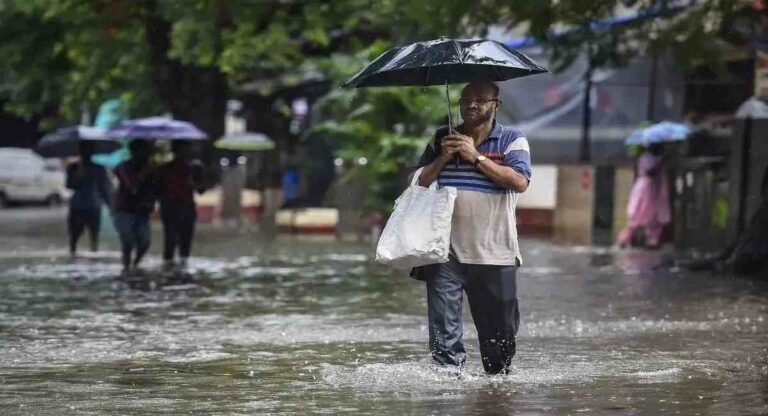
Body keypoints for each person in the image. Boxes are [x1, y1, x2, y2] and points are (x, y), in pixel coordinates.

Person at [413, 80, 532, 375]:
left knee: (499, 337)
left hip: (495, 251)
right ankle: (448, 381)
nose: (472, 105)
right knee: (442, 325)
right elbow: (419, 183)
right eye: (466, 99)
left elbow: (519, 182)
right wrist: (443, 156)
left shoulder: (512, 140)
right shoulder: (442, 137)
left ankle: (496, 390)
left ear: (496, 105)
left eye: (481, 99)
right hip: (443, 249)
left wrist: (475, 157)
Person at [156, 141, 205, 272]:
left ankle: (183, 268)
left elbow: (201, 189)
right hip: (169, 208)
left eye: (186, 150)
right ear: (175, 151)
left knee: (186, 241)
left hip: (187, 208)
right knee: (170, 240)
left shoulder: (195, 168)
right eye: (181, 150)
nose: (184, 153)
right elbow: (158, 190)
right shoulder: (165, 168)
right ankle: (168, 268)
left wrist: (192, 183)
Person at [112, 140, 156, 274]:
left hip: (142, 211)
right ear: (134, 152)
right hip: (124, 210)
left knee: (145, 242)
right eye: (143, 151)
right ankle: (126, 266)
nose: (146, 155)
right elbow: (132, 186)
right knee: (128, 241)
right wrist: (145, 172)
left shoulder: (152, 169)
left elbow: (156, 189)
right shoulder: (123, 167)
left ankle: (135, 264)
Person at [616, 144, 671, 248]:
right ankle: (624, 239)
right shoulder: (646, 157)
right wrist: (661, 162)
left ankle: (652, 241)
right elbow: (650, 172)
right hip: (646, 189)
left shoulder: (656, 158)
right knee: (638, 216)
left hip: (655, 189)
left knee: (655, 218)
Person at [65, 141, 113, 257]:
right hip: (79, 204)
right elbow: (68, 185)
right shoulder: (73, 167)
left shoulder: (99, 168)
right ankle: (73, 253)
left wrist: (111, 205)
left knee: (94, 234)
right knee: (75, 235)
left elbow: (104, 187)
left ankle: (93, 253)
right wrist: (77, 176)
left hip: (92, 205)